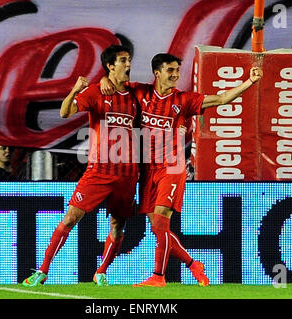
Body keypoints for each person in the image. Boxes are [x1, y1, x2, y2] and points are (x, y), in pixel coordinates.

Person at [102, 53, 263, 287]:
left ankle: (158, 277)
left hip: (172, 168)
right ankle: (193, 264)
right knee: (158, 229)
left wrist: (250, 81)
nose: (175, 74)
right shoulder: (140, 93)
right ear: (157, 73)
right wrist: (103, 81)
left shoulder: (184, 100)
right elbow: (115, 83)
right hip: (147, 171)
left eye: (177, 70)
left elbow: (221, 99)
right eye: (170, 70)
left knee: (160, 221)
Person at [22, 45, 140, 287]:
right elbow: (65, 112)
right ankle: (43, 271)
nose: (128, 64)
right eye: (123, 60)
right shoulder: (96, 91)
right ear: (110, 66)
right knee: (71, 217)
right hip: (99, 170)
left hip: (127, 173)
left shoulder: (136, 93)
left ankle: (101, 272)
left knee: (117, 226)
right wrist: (76, 89)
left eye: (129, 60)